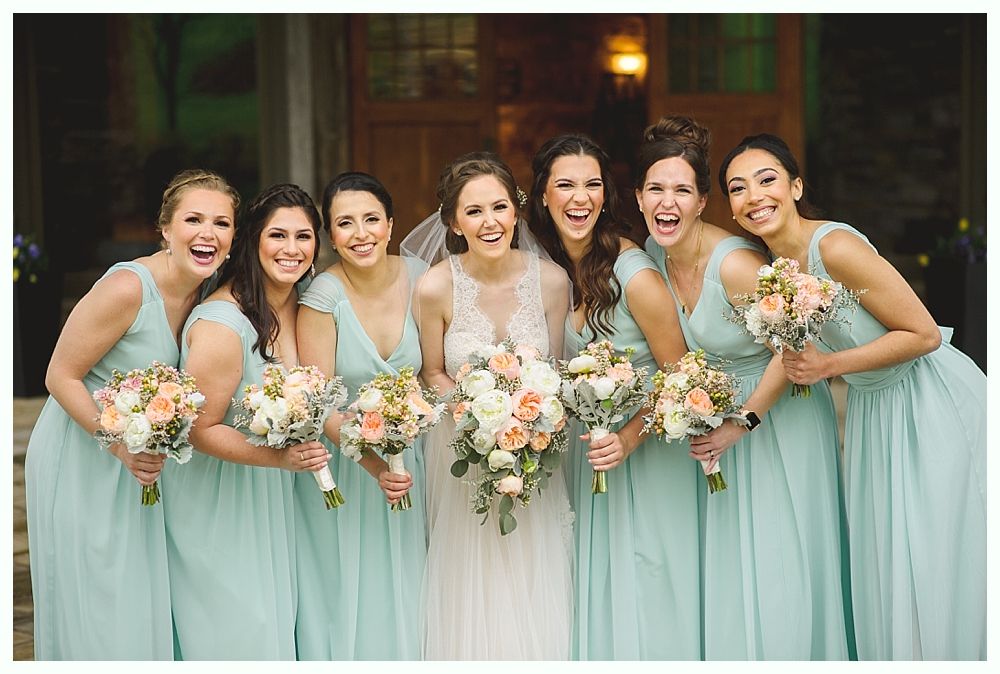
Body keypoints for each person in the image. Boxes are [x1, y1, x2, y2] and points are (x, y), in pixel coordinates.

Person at [719, 132, 986, 660]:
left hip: (924, 401)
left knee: (939, 552)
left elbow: (923, 334)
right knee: (891, 557)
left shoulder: (833, 248)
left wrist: (828, 366)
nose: (754, 197)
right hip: (872, 409)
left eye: (767, 180)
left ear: (796, 186)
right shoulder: (773, 270)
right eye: (737, 188)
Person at [640, 117, 853, 659]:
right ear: (638, 198)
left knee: (779, 558)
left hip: (778, 422)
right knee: (735, 563)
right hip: (722, 426)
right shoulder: (653, 253)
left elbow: (794, 348)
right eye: (656, 191)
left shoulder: (736, 265)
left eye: (682, 191)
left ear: (703, 202)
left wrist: (743, 421)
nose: (668, 204)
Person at [24, 169, 238, 659]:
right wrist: (118, 444)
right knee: (100, 597)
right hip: (84, 453)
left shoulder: (207, 292)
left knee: (140, 595)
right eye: (194, 219)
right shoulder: (127, 288)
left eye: (222, 223)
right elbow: (59, 376)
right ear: (165, 229)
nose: (208, 233)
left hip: (140, 459)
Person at [526, 134, 696, 660]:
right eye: (566, 185)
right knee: (590, 584)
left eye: (593, 185)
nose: (580, 198)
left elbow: (681, 376)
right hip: (583, 453)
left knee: (648, 580)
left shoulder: (635, 274)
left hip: (644, 452)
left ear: (607, 196)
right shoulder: (542, 270)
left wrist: (626, 437)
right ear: (542, 197)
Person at [404, 151, 574, 659]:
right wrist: (479, 416)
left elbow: (558, 368)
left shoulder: (552, 281)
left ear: (517, 211)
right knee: (471, 569)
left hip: (536, 445)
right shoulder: (435, 287)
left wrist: (527, 416)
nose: (489, 221)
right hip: (463, 448)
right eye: (473, 211)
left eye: (499, 207)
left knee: (531, 564)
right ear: (454, 223)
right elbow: (431, 371)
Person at [160, 183, 329, 660]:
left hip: (268, 492)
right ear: (252, 240)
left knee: (275, 624)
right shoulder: (221, 323)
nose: (292, 249)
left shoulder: (299, 302)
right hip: (220, 497)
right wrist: (279, 458)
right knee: (239, 628)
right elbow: (197, 427)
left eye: (304, 236)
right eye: (278, 235)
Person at [293, 172, 427, 659]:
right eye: (345, 223)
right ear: (330, 236)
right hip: (348, 463)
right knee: (353, 585)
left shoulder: (422, 277)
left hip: (418, 457)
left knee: (419, 576)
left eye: (371, 219)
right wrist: (373, 464)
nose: (361, 233)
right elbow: (318, 398)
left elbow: (436, 369)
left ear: (391, 225)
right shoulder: (323, 297)